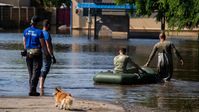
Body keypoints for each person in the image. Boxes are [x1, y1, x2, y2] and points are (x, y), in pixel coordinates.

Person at [22, 16, 48, 96]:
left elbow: (24, 42)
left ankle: (31, 89)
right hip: (37, 53)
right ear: (37, 23)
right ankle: (33, 90)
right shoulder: (39, 32)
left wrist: (26, 50)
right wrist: (46, 53)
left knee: (30, 72)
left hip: (28, 53)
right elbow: (43, 44)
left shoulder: (26, 30)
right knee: (36, 72)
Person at [39, 19, 56, 89]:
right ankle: (41, 85)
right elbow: (48, 45)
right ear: (48, 25)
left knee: (41, 69)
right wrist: (52, 56)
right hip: (46, 53)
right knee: (45, 69)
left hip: (39, 52)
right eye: (50, 25)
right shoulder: (46, 34)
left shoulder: (40, 32)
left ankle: (40, 85)